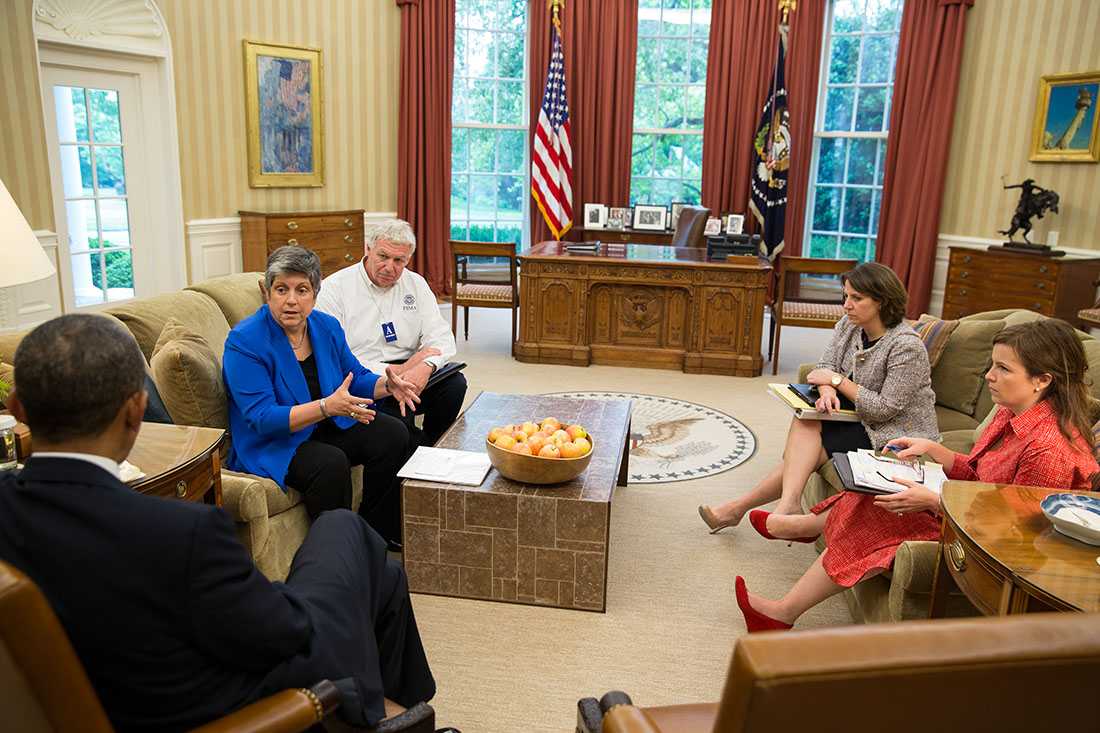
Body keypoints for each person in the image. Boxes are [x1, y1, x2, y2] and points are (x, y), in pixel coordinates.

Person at [0, 314, 435, 730]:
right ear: (136, 411)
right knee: (349, 535)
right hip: (230, 707)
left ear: (18, 409)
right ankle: (404, 712)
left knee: (366, 553)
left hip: (124, 694)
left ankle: (402, 712)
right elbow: (285, 634)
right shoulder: (184, 532)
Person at [735, 318, 1100, 632]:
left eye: (1003, 369)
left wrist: (935, 501)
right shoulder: (1014, 410)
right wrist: (936, 451)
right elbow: (979, 475)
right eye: (992, 364)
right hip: (967, 507)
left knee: (879, 508)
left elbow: (1014, 532)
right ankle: (805, 537)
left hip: (988, 540)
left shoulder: (1049, 450)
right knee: (879, 481)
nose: (990, 376)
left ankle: (784, 607)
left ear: (1042, 380)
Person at [698, 262, 939, 532]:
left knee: (811, 432)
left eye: (856, 298)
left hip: (893, 433)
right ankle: (782, 506)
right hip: (859, 417)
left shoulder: (906, 346)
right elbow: (824, 367)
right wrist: (825, 393)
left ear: (882, 302)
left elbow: (885, 409)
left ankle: (739, 509)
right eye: (845, 296)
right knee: (808, 416)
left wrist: (836, 382)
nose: (846, 305)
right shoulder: (849, 326)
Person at [223, 245, 418, 545]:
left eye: (302, 290)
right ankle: (337, 552)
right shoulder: (244, 341)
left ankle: (374, 530)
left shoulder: (325, 326)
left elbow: (354, 377)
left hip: (326, 423)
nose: (291, 300)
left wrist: (387, 385)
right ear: (268, 292)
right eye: (281, 289)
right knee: (330, 463)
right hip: (277, 442)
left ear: (315, 294)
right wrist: (327, 406)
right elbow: (261, 418)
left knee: (394, 434)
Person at [315, 219, 466, 448]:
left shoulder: (416, 284)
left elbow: (441, 338)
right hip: (364, 374)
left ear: (408, 259)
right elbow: (334, 356)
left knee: (454, 384)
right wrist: (398, 372)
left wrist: (425, 367)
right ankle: (425, 454)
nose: (389, 267)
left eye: (399, 260)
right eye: (383, 257)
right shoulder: (334, 289)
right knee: (400, 425)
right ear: (368, 249)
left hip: (412, 369)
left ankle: (436, 446)